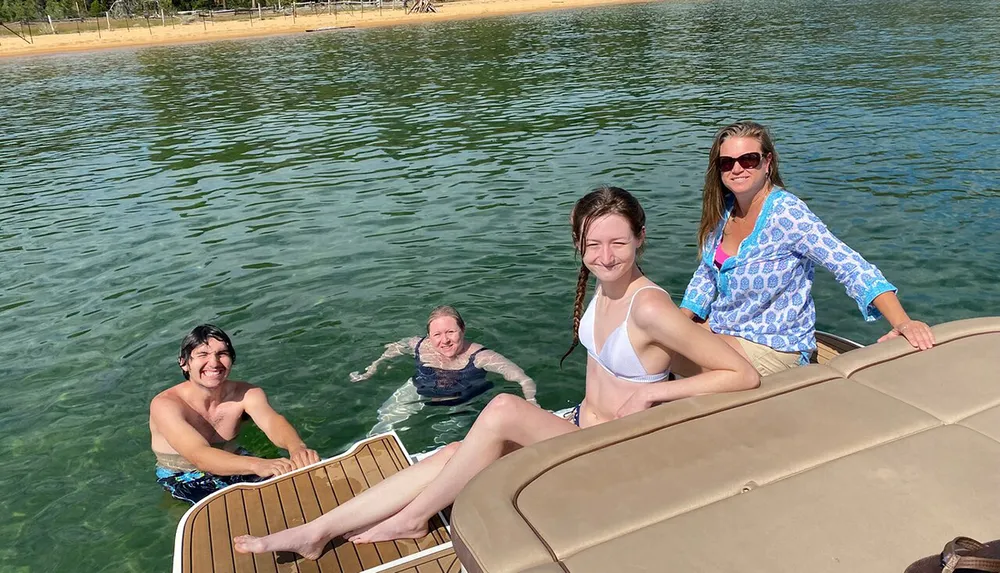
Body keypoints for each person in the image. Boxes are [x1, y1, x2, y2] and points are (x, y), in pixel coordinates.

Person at [232, 186, 757, 558]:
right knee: (453, 453)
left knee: (503, 408)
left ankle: (414, 519)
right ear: (579, 244)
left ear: (641, 237)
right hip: (580, 429)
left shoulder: (649, 307)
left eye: (618, 242)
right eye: (592, 244)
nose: (605, 255)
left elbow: (740, 374)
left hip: (615, 454)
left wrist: (655, 397)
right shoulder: (604, 288)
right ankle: (318, 529)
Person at [679, 121, 935, 376]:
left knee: (658, 353)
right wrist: (682, 317)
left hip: (771, 346)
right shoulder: (723, 211)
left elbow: (848, 264)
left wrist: (903, 322)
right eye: (727, 162)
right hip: (723, 328)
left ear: (767, 163)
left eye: (748, 159)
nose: (737, 169)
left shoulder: (786, 214)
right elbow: (706, 276)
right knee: (649, 333)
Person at [149, 324, 320, 504]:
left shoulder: (247, 393)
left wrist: (297, 448)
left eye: (222, 354)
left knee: (303, 490)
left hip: (238, 462)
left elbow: (273, 422)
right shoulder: (166, 405)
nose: (214, 363)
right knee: (239, 513)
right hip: (184, 475)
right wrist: (258, 464)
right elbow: (198, 455)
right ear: (184, 363)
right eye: (203, 354)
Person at [350, 306, 538, 435]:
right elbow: (396, 347)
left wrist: (531, 401)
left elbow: (523, 379)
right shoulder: (420, 345)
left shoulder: (481, 356)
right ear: (429, 336)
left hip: (462, 400)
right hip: (419, 390)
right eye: (437, 334)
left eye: (451, 332)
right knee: (384, 420)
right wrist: (371, 370)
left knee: (446, 435)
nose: (445, 340)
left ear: (462, 330)